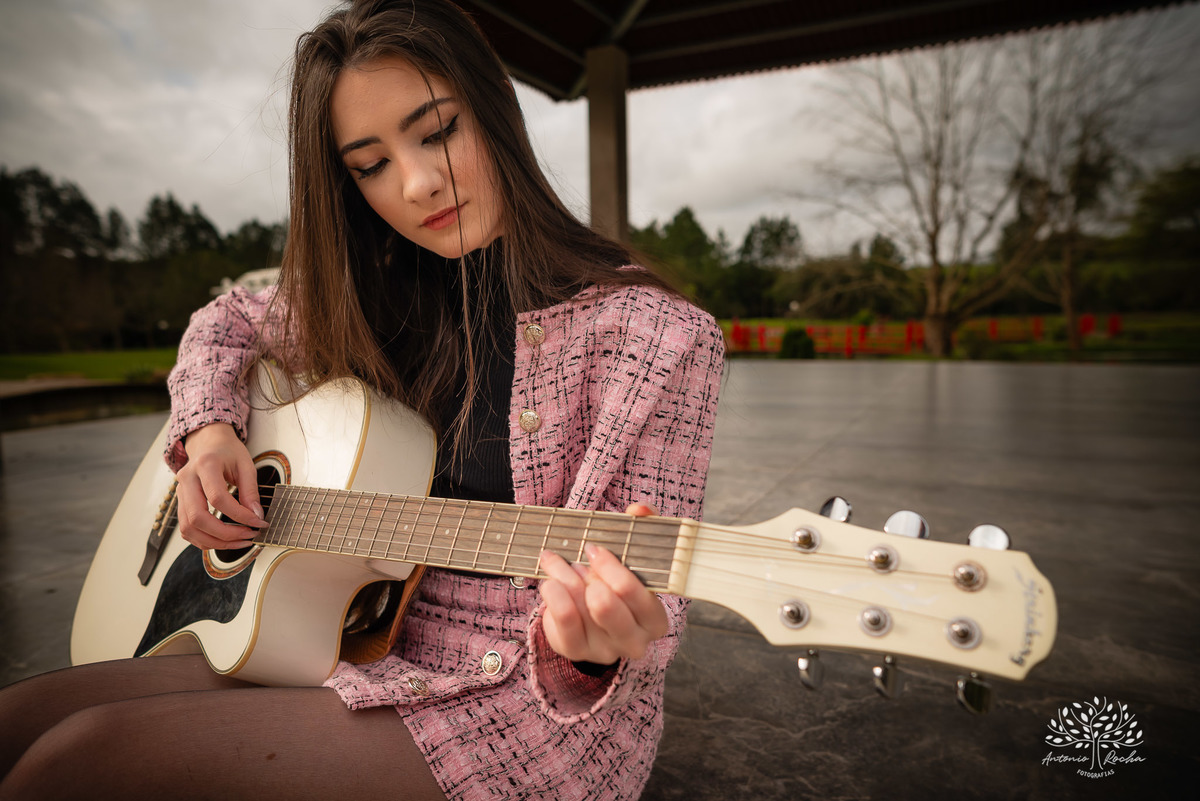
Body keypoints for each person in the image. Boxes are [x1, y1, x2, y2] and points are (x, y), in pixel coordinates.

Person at [0, 0, 723, 798]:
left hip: (524, 702)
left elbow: (652, 618)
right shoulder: (373, 293)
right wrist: (207, 434)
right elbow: (227, 319)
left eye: (438, 129)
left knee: (80, 759)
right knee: (19, 718)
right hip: (334, 633)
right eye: (370, 164)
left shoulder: (659, 336)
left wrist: (590, 644)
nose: (415, 184)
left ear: (496, 111)